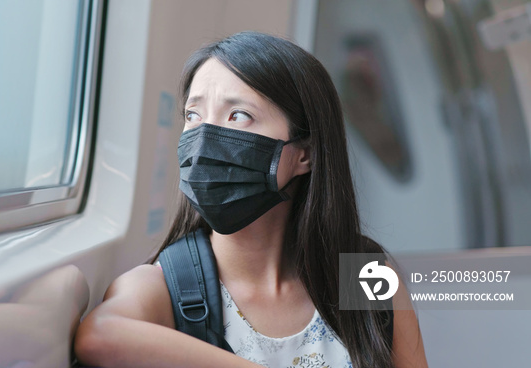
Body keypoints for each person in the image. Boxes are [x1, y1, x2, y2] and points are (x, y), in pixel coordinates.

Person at [74, 31, 427, 368]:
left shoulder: (362, 272)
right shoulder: (165, 285)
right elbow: (99, 336)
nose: (204, 138)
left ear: (304, 155)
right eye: (193, 116)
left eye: (238, 116)